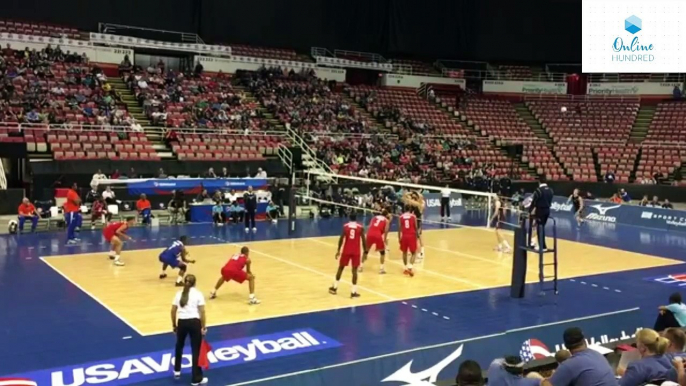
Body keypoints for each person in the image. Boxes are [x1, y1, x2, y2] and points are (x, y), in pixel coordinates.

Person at [541, 327, 617, 386]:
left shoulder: (569, 365)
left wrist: (542, 382)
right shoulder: (597, 354)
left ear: (566, 346)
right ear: (584, 340)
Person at [171, 274, 208, 385]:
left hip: (181, 322)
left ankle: (177, 370)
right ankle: (196, 379)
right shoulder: (198, 294)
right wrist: (203, 326)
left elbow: (173, 311)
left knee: (179, 345)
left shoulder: (178, 294)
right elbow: (202, 312)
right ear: (195, 283)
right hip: (194, 323)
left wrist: (174, 325)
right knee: (196, 350)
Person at [330, 213, 368, 298]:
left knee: (341, 268)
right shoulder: (360, 227)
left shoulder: (346, 226)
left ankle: (334, 288)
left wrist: (338, 250)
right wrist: (366, 251)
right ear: (356, 218)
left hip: (346, 250)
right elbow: (364, 240)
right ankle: (353, 292)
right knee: (354, 271)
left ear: (349, 218)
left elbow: (341, 238)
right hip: (356, 251)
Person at [363, 208, 391, 274]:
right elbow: (386, 231)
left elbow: (370, 226)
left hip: (369, 233)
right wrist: (384, 240)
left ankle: (360, 267)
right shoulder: (386, 220)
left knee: (366, 251)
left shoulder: (374, 217)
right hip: (377, 235)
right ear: (386, 215)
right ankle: (381, 269)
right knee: (382, 253)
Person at [529, 177, 553, 251]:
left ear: (539, 182)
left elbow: (534, 201)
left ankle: (542, 246)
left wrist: (530, 210)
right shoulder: (550, 190)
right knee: (541, 227)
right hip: (547, 210)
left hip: (540, 211)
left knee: (539, 227)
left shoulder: (538, 190)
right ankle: (541, 245)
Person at [403, 190, 425, 258]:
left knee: (417, 237)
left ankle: (421, 252)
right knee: (414, 237)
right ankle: (414, 250)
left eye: (414, 196)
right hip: (411, 221)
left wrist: (416, 192)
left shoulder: (419, 204)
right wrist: (411, 193)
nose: (412, 197)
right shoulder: (411, 203)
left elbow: (420, 197)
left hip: (418, 222)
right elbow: (405, 196)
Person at [399, 205, 419, 277]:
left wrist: (399, 238)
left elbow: (400, 228)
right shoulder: (413, 216)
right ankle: (410, 267)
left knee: (404, 252)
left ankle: (405, 267)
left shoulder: (401, 217)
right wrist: (417, 236)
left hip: (404, 235)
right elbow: (415, 227)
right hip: (412, 235)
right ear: (410, 209)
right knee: (414, 252)